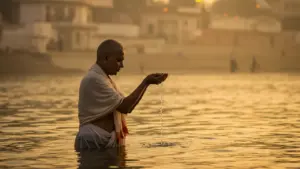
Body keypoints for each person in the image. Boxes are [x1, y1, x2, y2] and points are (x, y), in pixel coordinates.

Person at [74, 39, 168, 151]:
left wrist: (147, 83)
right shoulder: (94, 79)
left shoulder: (103, 78)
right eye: (119, 60)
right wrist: (146, 82)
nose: (122, 65)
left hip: (101, 142)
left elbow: (126, 106)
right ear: (106, 58)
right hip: (93, 141)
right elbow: (125, 107)